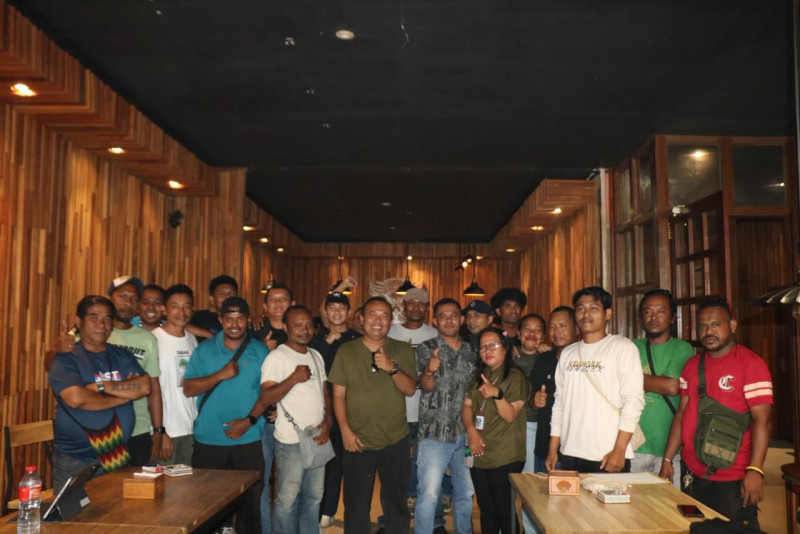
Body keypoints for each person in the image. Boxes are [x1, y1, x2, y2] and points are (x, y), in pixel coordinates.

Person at [659, 299, 772, 528]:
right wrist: (668, 459)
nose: (708, 331)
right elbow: (682, 414)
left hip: (733, 476)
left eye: (715, 324)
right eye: (702, 326)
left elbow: (763, 420)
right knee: (695, 527)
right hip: (692, 471)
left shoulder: (752, 364)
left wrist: (755, 471)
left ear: (732, 325)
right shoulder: (692, 366)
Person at [328, 296, 416, 534]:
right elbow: (338, 395)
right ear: (362, 318)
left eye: (385, 316)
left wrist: (392, 367)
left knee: (397, 505)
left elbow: (410, 389)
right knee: (356, 506)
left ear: (391, 321)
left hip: (395, 439)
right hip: (357, 441)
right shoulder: (346, 351)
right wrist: (345, 431)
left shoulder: (402, 349)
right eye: (373, 315)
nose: (378, 321)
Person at [183, 296, 268, 533]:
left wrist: (249, 421)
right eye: (229, 318)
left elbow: (267, 394)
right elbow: (189, 388)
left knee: (250, 506)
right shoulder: (204, 350)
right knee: (206, 505)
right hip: (209, 440)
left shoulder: (260, 350)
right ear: (220, 319)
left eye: (240, 319)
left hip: (248, 440)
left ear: (248, 320)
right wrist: (220, 375)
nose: (234, 324)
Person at [49, 295, 151, 491]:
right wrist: (123, 396)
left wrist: (100, 387)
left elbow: (144, 386)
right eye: (94, 317)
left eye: (107, 318)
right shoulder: (66, 358)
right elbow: (76, 398)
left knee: (113, 509)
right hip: (76, 459)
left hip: (116, 454)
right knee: (72, 511)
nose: (101, 324)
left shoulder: (122, 354)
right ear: (79, 321)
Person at [545, 286, 644, 474]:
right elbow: (559, 403)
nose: (586, 314)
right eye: (580, 308)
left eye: (594, 308)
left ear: (608, 313)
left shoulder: (622, 347)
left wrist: (619, 449)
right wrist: (553, 449)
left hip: (607, 454)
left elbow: (633, 401)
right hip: (570, 452)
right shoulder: (568, 353)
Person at [260, 305, 333, 533]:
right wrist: (293, 378)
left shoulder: (316, 355)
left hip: (317, 437)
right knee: (287, 500)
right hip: (291, 442)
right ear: (285, 327)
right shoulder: (277, 357)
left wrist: (328, 421)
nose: (305, 330)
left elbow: (325, 393)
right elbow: (266, 397)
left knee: (313, 498)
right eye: (298, 325)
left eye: (309, 325)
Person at [415, 298, 477, 534]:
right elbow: (425, 386)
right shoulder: (426, 348)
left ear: (461, 319)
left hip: (466, 434)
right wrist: (429, 370)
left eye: (453, 315)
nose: (449, 320)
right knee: (429, 494)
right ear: (435, 321)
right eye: (443, 316)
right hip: (434, 434)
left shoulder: (473, 351)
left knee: (465, 493)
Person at [462, 327, 530, 534]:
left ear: (505, 348)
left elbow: (510, 415)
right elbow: (467, 406)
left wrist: (497, 394)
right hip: (477, 451)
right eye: (483, 347)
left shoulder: (515, 376)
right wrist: (471, 430)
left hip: (504, 455)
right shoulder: (479, 376)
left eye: (493, 345)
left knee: (504, 511)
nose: (488, 350)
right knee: (486, 510)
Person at [631, 289, 694, 487]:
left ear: (673, 317)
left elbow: (673, 387)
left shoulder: (682, 348)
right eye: (648, 311)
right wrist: (659, 382)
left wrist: (633, 380)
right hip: (634, 447)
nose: (653, 317)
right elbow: (616, 382)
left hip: (669, 449)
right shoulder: (631, 347)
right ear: (641, 317)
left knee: (668, 504)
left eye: (661, 311)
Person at [309, 291, 362, 529]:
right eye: (332, 307)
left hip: (351, 411)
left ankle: (338, 513)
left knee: (347, 465)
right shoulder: (316, 340)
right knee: (323, 463)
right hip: (321, 411)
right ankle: (320, 511)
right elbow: (310, 369)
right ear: (325, 312)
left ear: (348, 312)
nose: (337, 312)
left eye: (342, 307)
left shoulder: (357, 339)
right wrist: (327, 342)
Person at [386, 287, 438, 525]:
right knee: (394, 469)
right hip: (396, 411)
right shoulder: (390, 332)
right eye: (412, 302)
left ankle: (432, 522)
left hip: (426, 412)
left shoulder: (435, 334)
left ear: (426, 308)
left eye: (421, 303)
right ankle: (390, 521)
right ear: (404, 306)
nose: (416, 307)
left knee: (427, 470)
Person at [105, 276, 163, 467]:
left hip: (139, 430)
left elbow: (154, 387)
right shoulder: (96, 332)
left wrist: (158, 430)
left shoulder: (147, 339)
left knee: (142, 485)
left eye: (134, 298)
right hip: (102, 430)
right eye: (122, 296)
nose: (128, 302)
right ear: (110, 298)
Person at [252, 282, 295, 534]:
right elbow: (248, 378)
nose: (279, 304)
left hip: (292, 420)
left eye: (284, 299)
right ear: (265, 306)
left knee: (290, 485)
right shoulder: (254, 332)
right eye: (273, 300)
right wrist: (262, 350)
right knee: (262, 481)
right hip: (261, 422)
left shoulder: (300, 332)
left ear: (292, 303)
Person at [152, 284, 198, 465]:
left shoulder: (192, 340)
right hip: (166, 432)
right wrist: (159, 431)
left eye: (186, 306)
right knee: (164, 482)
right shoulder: (153, 339)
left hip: (190, 429)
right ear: (164, 309)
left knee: (188, 481)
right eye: (175, 306)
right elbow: (150, 390)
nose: (181, 312)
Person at [531, 307, 579, 472]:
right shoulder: (543, 359)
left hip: (575, 452)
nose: (556, 331)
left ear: (576, 328)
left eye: (562, 325)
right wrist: (534, 400)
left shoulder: (585, 362)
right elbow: (531, 397)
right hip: (544, 448)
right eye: (552, 326)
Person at [515, 313, 549, 534]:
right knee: (526, 484)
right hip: (521, 427)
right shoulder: (509, 359)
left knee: (544, 485)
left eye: (537, 330)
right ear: (519, 334)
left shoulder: (551, 358)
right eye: (527, 328)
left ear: (543, 336)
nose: (532, 334)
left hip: (548, 430)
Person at [189, 274, 238, 339]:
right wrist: (208, 334)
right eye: (222, 294)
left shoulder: (241, 320)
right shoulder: (200, 317)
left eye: (231, 293)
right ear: (212, 299)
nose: (227, 297)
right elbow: (180, 325)